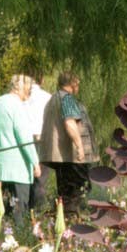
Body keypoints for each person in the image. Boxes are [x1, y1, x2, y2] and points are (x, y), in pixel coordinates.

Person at [0, 75, 41, 223]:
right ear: (20, 87)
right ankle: (18, 241)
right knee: (19, 212)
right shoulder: (17, 106)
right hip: (16, 169)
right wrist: (35, 163)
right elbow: (24, 139)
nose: (30, 91)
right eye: (29, 88)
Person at [38, 72, 98, 221]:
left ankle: (63, 220)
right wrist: (80, 147)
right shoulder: (67, 99)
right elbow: (70, 123)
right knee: (79, 188)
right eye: (77, 83)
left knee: (65, 191)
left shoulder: (53, 99)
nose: (78, 86)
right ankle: (73, 221)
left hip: (61, 156)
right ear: (72, 84)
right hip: (71, 156)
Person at [24, 71, 53, 210]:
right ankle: (37, 213)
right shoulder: (48, 97)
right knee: (40, 180)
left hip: (25, 141)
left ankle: (23, 211)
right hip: (44, 140)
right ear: (41, 80)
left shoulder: (21, 98)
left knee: (24, 178)